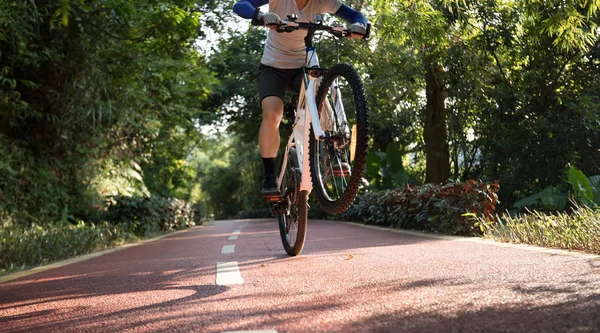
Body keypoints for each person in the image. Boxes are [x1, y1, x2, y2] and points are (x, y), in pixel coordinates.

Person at [233, 0, 368, 198]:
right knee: (272, 114)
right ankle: (269, 175)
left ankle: (333, 151)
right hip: (273, 67)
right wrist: (260, 16)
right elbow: (241, 5)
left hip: (303, 67)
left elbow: (356, 16)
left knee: (320, 95)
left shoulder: (323, 1)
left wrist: (359, 26)